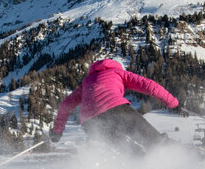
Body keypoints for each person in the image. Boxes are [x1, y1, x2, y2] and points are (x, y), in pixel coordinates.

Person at [49, 58, 187, 154]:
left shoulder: (86, 82)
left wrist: (57, 132)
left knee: (128, 151)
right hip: (117, 110)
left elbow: (66, 105)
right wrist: (173, 103)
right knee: (154, 141)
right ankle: (192, 159)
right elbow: (148, 85)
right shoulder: (118, 72)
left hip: (91, 123)